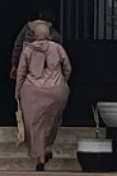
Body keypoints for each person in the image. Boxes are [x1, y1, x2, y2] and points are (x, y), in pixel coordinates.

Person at [15, 22, 71, 171]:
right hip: (56, 91)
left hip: (32, 92)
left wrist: (18, 92)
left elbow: (21, 73)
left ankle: (39, 156)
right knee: (52, 121)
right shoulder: (58, 48)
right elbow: (67, 68)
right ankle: (47, 148)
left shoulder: (27, 50)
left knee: (34, 124)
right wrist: (63, 82)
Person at [9, 10, 63, 79]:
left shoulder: (26, 28)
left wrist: (14, 64)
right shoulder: (51, 31)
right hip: (44, 65)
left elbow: (18, 46)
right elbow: (60, 45)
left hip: (27, 64)